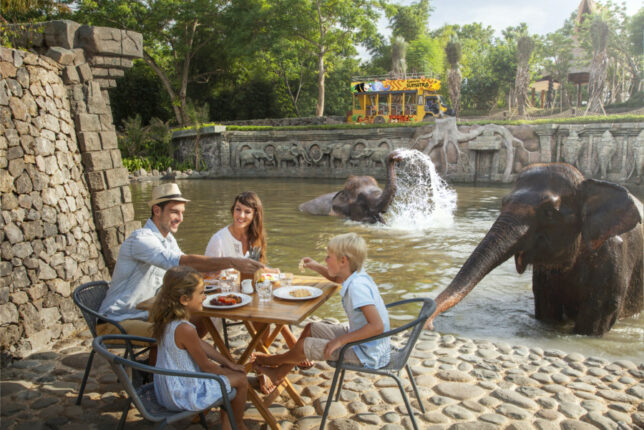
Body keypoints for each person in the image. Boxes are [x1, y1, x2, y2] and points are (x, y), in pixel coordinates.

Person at [97, 183, 264, 338]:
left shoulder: (168, 239)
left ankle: (165, 365)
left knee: (201, 315)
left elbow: (186, 271)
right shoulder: (140, 239)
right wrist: (233, 262)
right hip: (118, 321)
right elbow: (180, 262)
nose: (181, 218)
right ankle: (179, 367)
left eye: (182, 212)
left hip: (151, 314)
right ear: (157, 210)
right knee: (179, 333)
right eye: (175, 212)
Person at [251, 233, 390, 387]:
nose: (326, 260)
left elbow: (377, 326)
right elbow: (337, 279)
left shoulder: (357, 288)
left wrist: (339, 341)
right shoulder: (356, 276)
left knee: (305, 345)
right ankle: (279, 373)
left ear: (343, 261)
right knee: (311, 328)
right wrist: (315, 265)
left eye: (328, 257)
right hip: (365, 343)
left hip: (366, 353)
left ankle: (271, 360)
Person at [204, 191, 300, 394]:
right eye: (238, 209)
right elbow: (206, 276)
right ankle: (283, 345)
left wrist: (267, 271)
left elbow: (257, 270)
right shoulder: (219, 239)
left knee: (265, 314)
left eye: (247, 211)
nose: (241, 215)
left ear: (255, 214)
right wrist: (228, 276)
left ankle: (260, 367)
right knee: (266, 309)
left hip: (250, 296)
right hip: (226, 298)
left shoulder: (256, 237)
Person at [151, 266, 248, 430]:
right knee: (241, 380)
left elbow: (202, 345)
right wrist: (234, 372)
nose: (205, 296)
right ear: (184, 299)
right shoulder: (185, 329)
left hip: (167, 389)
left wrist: (229, 364)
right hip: (183, 394)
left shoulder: (168, 319)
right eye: (201, 293)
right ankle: (235, 424)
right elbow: (207, 367)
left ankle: (227, 424)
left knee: (228, 371)